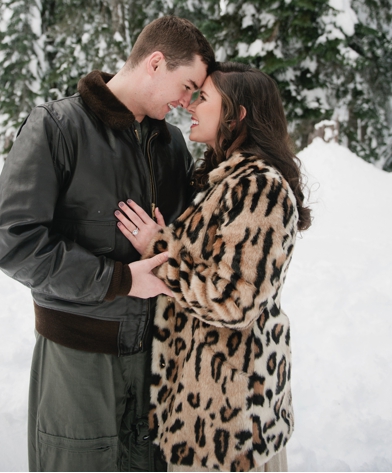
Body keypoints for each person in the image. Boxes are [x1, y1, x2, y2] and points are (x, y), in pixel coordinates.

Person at [0, 16, 216, 471]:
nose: (187, 102)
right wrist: (119, 279)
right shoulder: (58, 126)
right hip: (79, 364)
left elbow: (191, 240)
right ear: (155, 62)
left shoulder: (171, 144)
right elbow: (11, 240)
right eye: (187, 85)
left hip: (156, 362)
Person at [114, 62, 311, 472]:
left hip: (232, 429)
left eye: (202, 98)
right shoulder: (227, 181)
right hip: (204, 419)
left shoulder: (259, 187)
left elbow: (233, 301)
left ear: (236, 114)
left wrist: (158, 248)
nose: (190, 106)